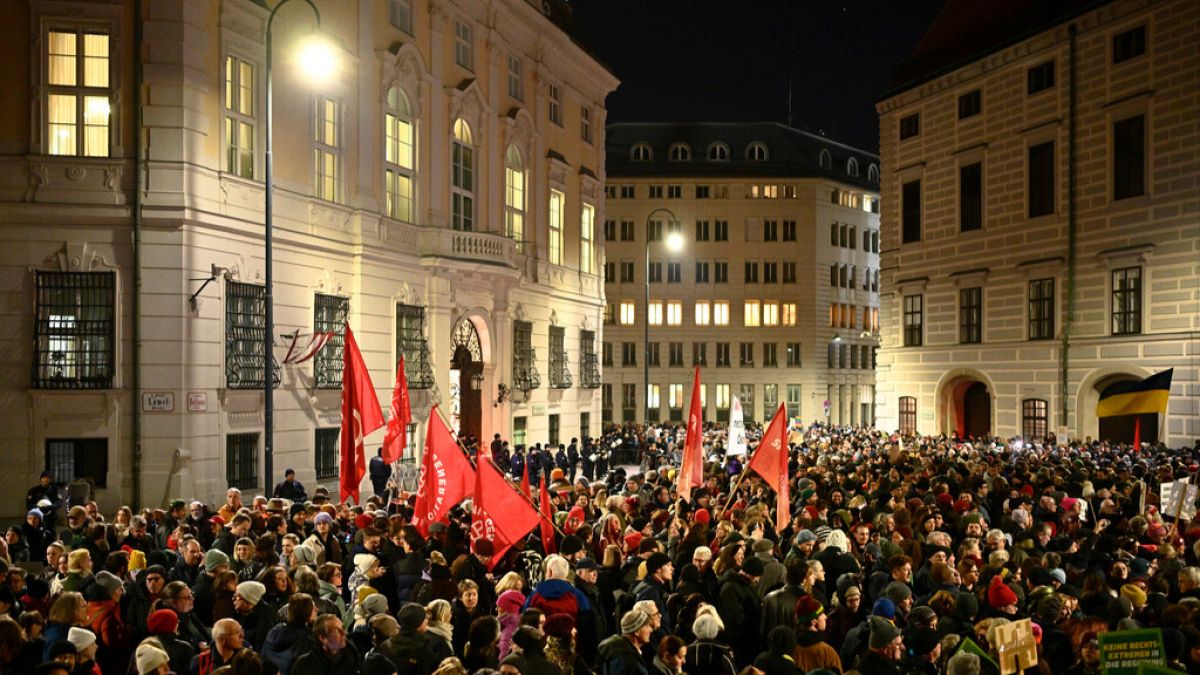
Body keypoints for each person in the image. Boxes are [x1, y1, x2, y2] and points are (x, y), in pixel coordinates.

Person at [292, 615, 361, 675]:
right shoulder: (304, 666)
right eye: (337, 631)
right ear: (323, 638)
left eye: (342, 628)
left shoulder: (351, 653)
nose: (344, 633)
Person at [598, 609, 652, 675]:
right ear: (637, 632)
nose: (651, 629)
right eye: (646, 626)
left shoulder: (610, 648)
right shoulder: (630, 662)